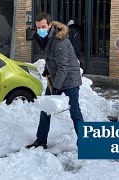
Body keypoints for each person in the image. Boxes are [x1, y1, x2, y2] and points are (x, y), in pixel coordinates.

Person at [26, 12, 84, 149]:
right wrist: (47, 68)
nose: (40, 30)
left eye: (43, 27)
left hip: (70, 80)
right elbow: (51, 58)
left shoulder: (60, 41)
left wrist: (56, 87)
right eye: (38, 27)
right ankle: (41, 140)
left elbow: (63, 67)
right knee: (46, 109)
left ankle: (83, 141)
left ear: (50, 25)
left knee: (74, 111)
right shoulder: (46, 38)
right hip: (56, 77)